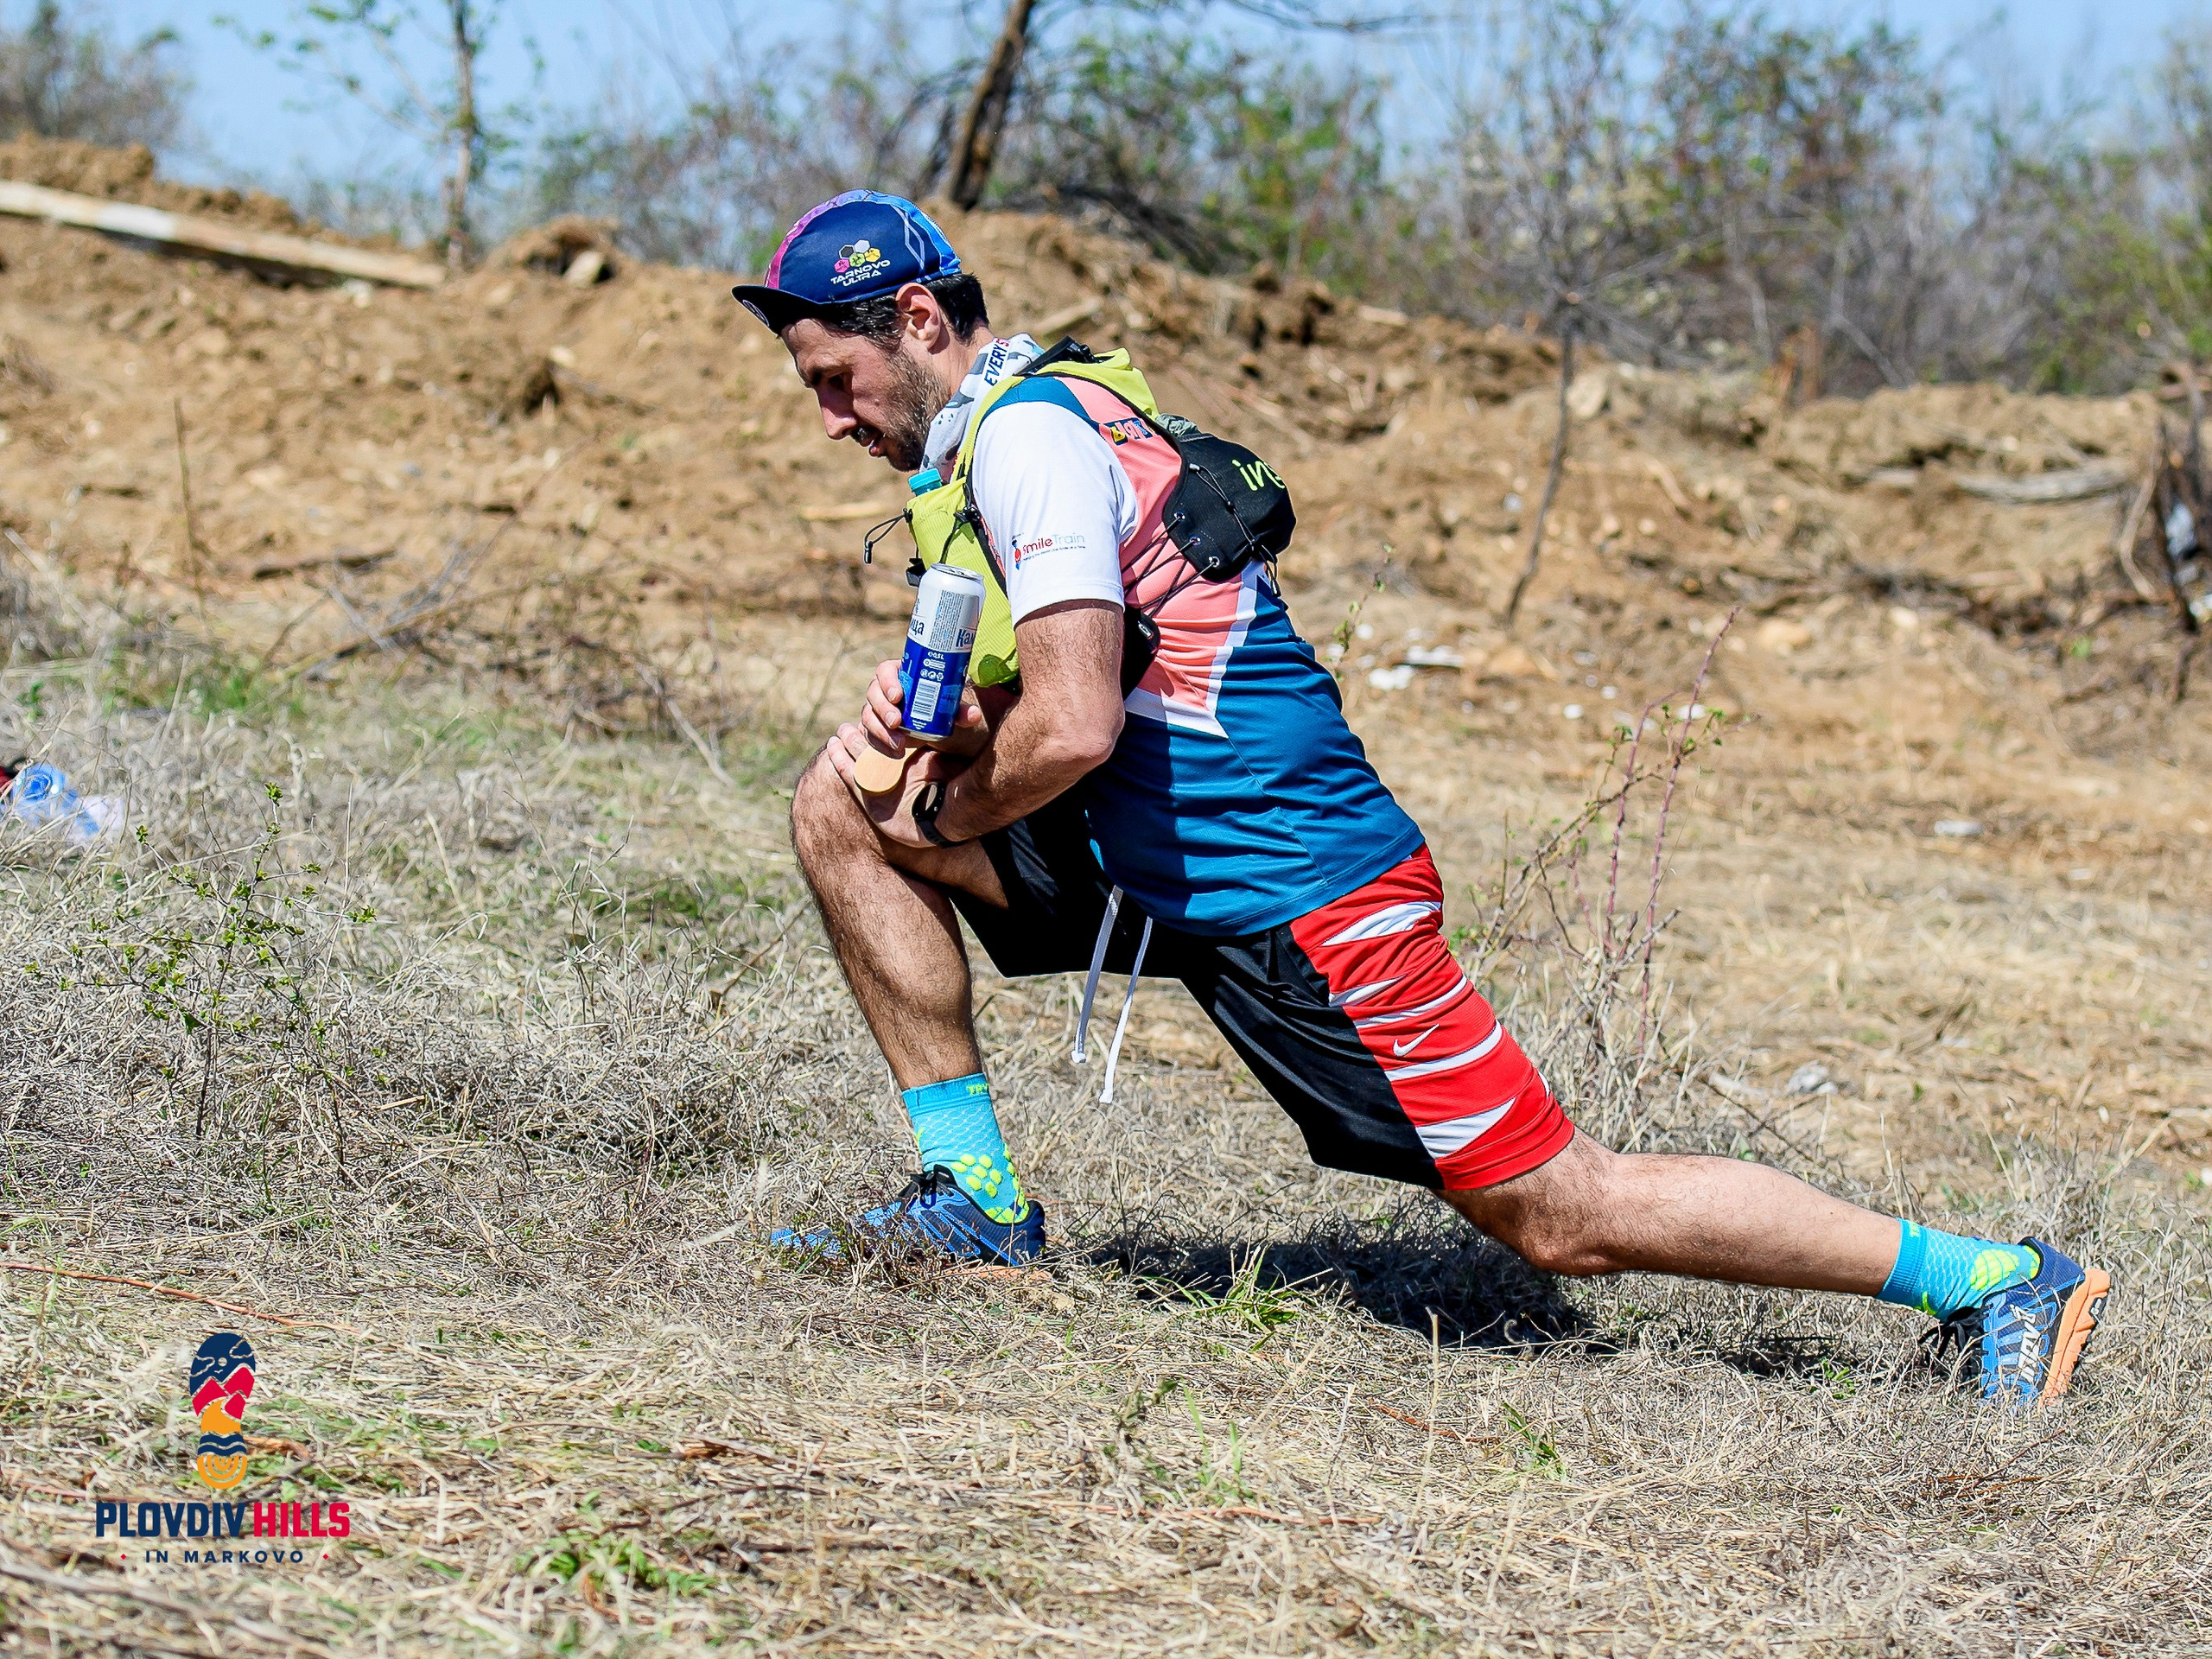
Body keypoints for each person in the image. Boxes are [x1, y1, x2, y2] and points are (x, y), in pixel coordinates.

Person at [733, 191, 2110, 1406]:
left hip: (1302, 892)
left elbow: (1079, 717)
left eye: (835, 377)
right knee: (838, 810)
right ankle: (973, 1200)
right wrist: (921, 739)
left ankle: (1995, 1279)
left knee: (1560, 1211)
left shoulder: (1030, 443)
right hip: (1160, 855)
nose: (829, 414)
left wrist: (956, 810)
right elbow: (1075, 687)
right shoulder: (1013, 429)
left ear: (916, 318)